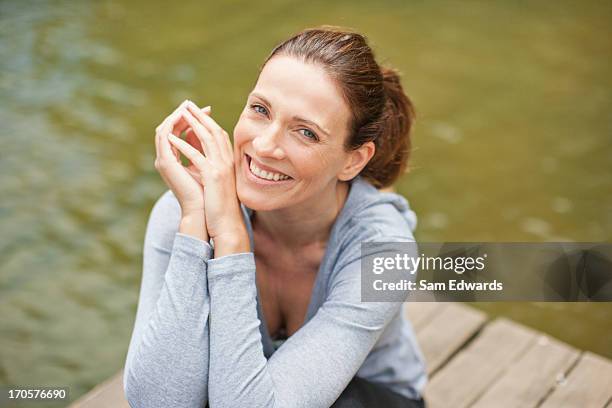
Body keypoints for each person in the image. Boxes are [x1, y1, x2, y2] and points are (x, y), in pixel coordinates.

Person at [123, 26, 427, 408]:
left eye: (305, 133)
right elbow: (157, 401)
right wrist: (197, 227)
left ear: (353, 159)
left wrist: (231, 240)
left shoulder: (383, 252)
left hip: (367, 397)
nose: (265, 146)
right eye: (260, 110)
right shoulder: (185, 208)